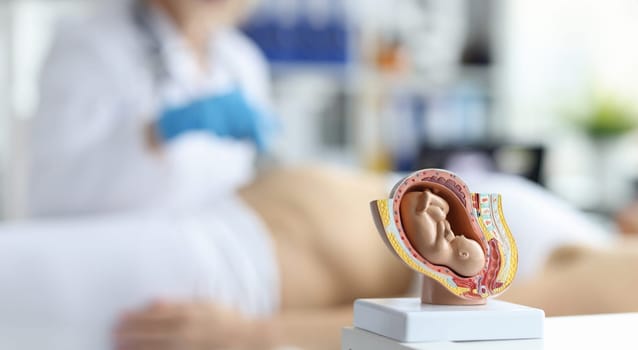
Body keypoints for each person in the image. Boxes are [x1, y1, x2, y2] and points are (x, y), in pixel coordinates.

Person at [3, 166, 638, 350]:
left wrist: (260, 338)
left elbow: (496, 330)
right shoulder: (602, 237)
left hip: (238, 280)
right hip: (227, 233)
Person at [28, 0, 275, 216]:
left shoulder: (241, 61)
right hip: (117, 262)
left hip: (206, 260)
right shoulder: (90, 47)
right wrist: (155, 135)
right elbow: (52, 193)